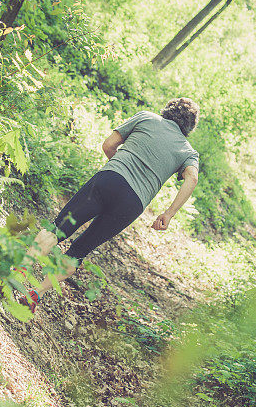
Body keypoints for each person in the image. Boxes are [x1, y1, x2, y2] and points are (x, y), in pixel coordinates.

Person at [15, 97, 201, 313]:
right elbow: (192, 179)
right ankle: (36, 293)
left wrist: (117, 167)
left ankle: (17, 272)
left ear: (167, 110)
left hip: (111, 178)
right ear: (189, 128)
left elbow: (108, 145)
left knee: (58, 229)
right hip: (133, 203)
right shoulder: (188, 152)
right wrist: (169, 214)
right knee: (80, 250)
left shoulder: (146, 118)